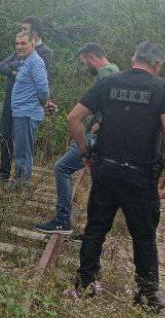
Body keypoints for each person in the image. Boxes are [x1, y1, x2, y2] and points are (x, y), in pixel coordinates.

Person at [68, 41, 165, 312]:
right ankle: (147, 295)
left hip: (106, 170)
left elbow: (74, 118)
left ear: (133, 58)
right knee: (143, 235)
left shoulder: (108, 83)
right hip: (140, 176)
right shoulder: (161, 89)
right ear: (158, 64)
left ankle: (84, 283)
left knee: (95, 228)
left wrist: (86, 153)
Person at [36, 43, 119, 234]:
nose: (84, 67)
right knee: (98, 181)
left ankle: (62, 220)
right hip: (105, 135)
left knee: (62, 168)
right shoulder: (114, 69)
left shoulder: (105, 75)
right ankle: (92, 231)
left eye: (84, 63)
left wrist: (96, 127)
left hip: (98, 135)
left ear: (91, 57)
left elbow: (109, 107)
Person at [0, 16, 54, 181]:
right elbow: (2, 65)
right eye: (18, 43)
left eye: (25, 30)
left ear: (33, 38)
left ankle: (20, 182)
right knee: (7, 136)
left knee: (23, 147)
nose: (19, 46)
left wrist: (44, 102)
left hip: (27, 107)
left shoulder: (39, 57)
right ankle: (8, 174)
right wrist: (16, 70)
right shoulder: (24, 53)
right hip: (16, 104)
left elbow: (42, 86)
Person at [10, 30, 50, 187]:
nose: (19, 46)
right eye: (17, 43)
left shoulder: (36, 62)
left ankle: (22, 185)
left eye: (23, 43)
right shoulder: (26, 61)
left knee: (23, 151)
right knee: (20, 150)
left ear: (33, 43)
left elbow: (44, 90)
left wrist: (38, 104)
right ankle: (20, 181)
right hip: (22, 113)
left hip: (27, 114)